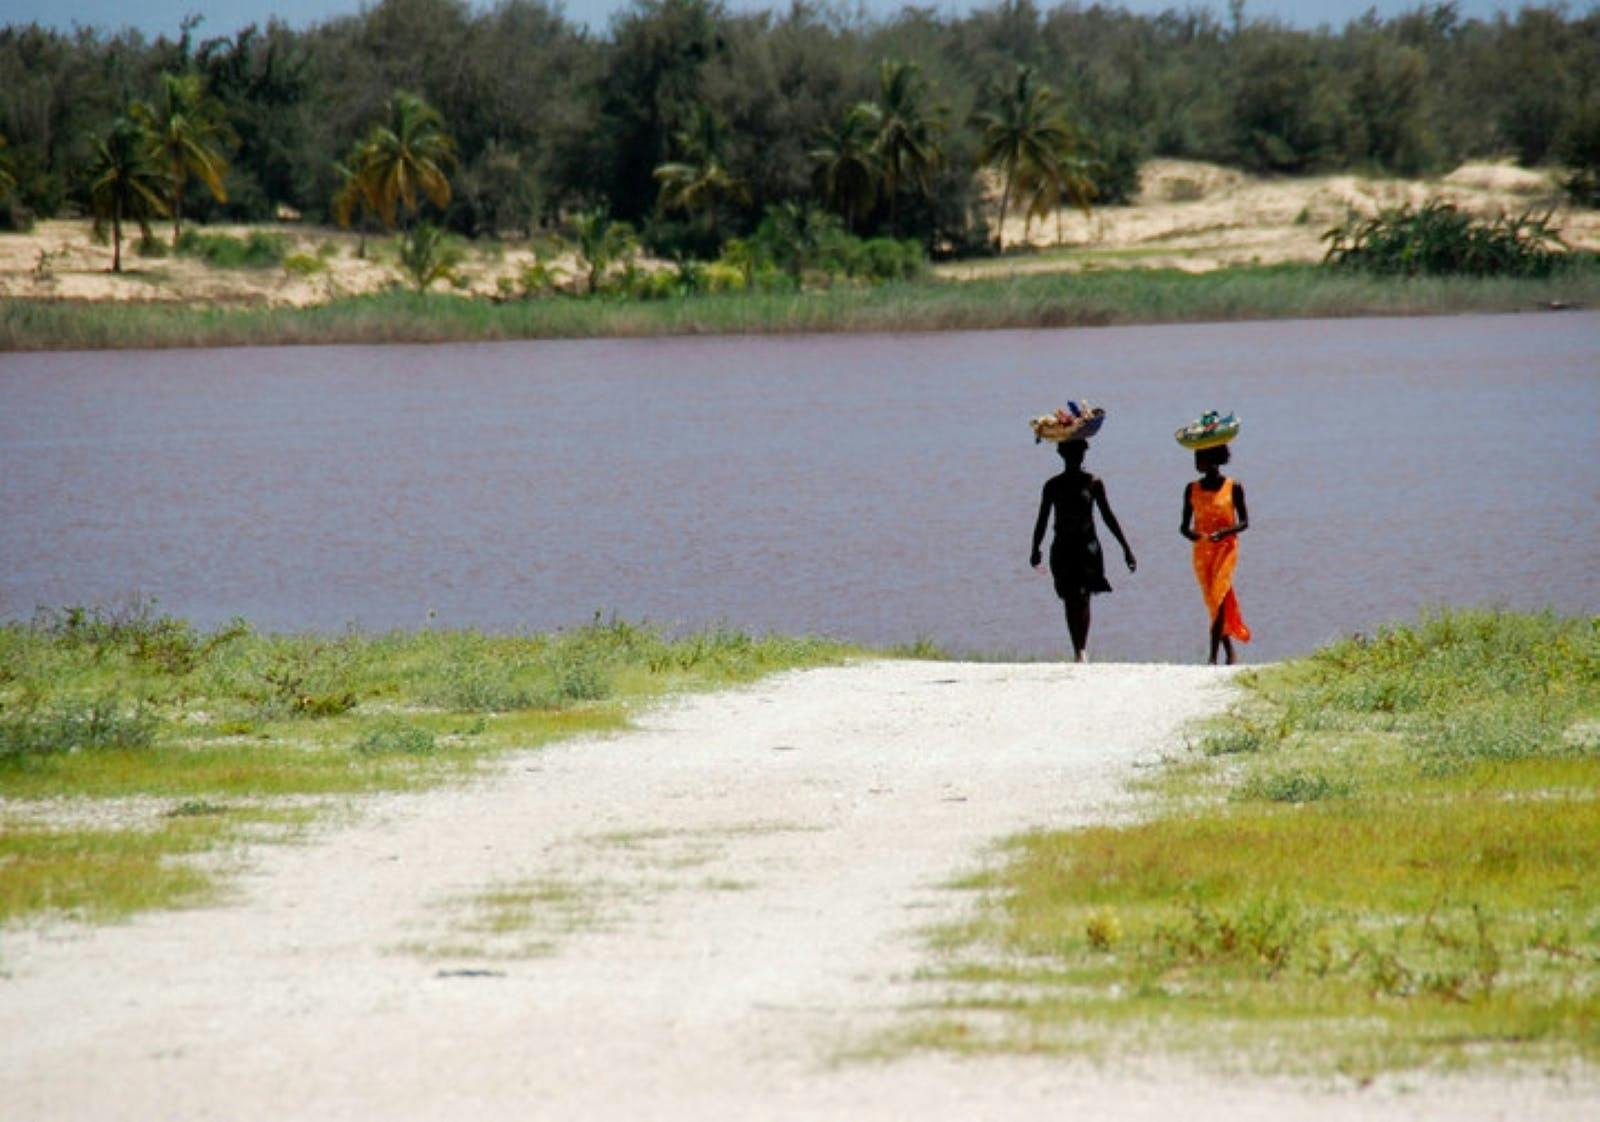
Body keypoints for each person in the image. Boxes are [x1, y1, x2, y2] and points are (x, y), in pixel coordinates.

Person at [1030, 439, 1137, 663]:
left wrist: (1126, 548)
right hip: (1062, 546)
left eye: (1079, 453)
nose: (1076, 458)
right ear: (1062, 455)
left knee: (1084, 596)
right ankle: (1077, 647)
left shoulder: (1093, 482)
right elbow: (1042, 518)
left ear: (1083, 455)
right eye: (1071, 454)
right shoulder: (1053, 485)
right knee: (1070, 596)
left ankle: (1082, 649)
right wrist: (1035, 547)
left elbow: (1108, 516)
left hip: (1088, 546)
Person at [1180, 443, 1251, 664]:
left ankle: (1212, 657)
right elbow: (1183, 527)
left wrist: (1224, 532)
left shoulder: (1233, 487)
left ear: (1213, 460)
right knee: (1214, 602)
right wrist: (1194, 536)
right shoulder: (1191, 489)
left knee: (1219, 595)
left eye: (1200, 457)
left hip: (1226, 549)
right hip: (1203, 552)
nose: (1196, 463)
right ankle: (1229, 651)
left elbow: (1244, 522)